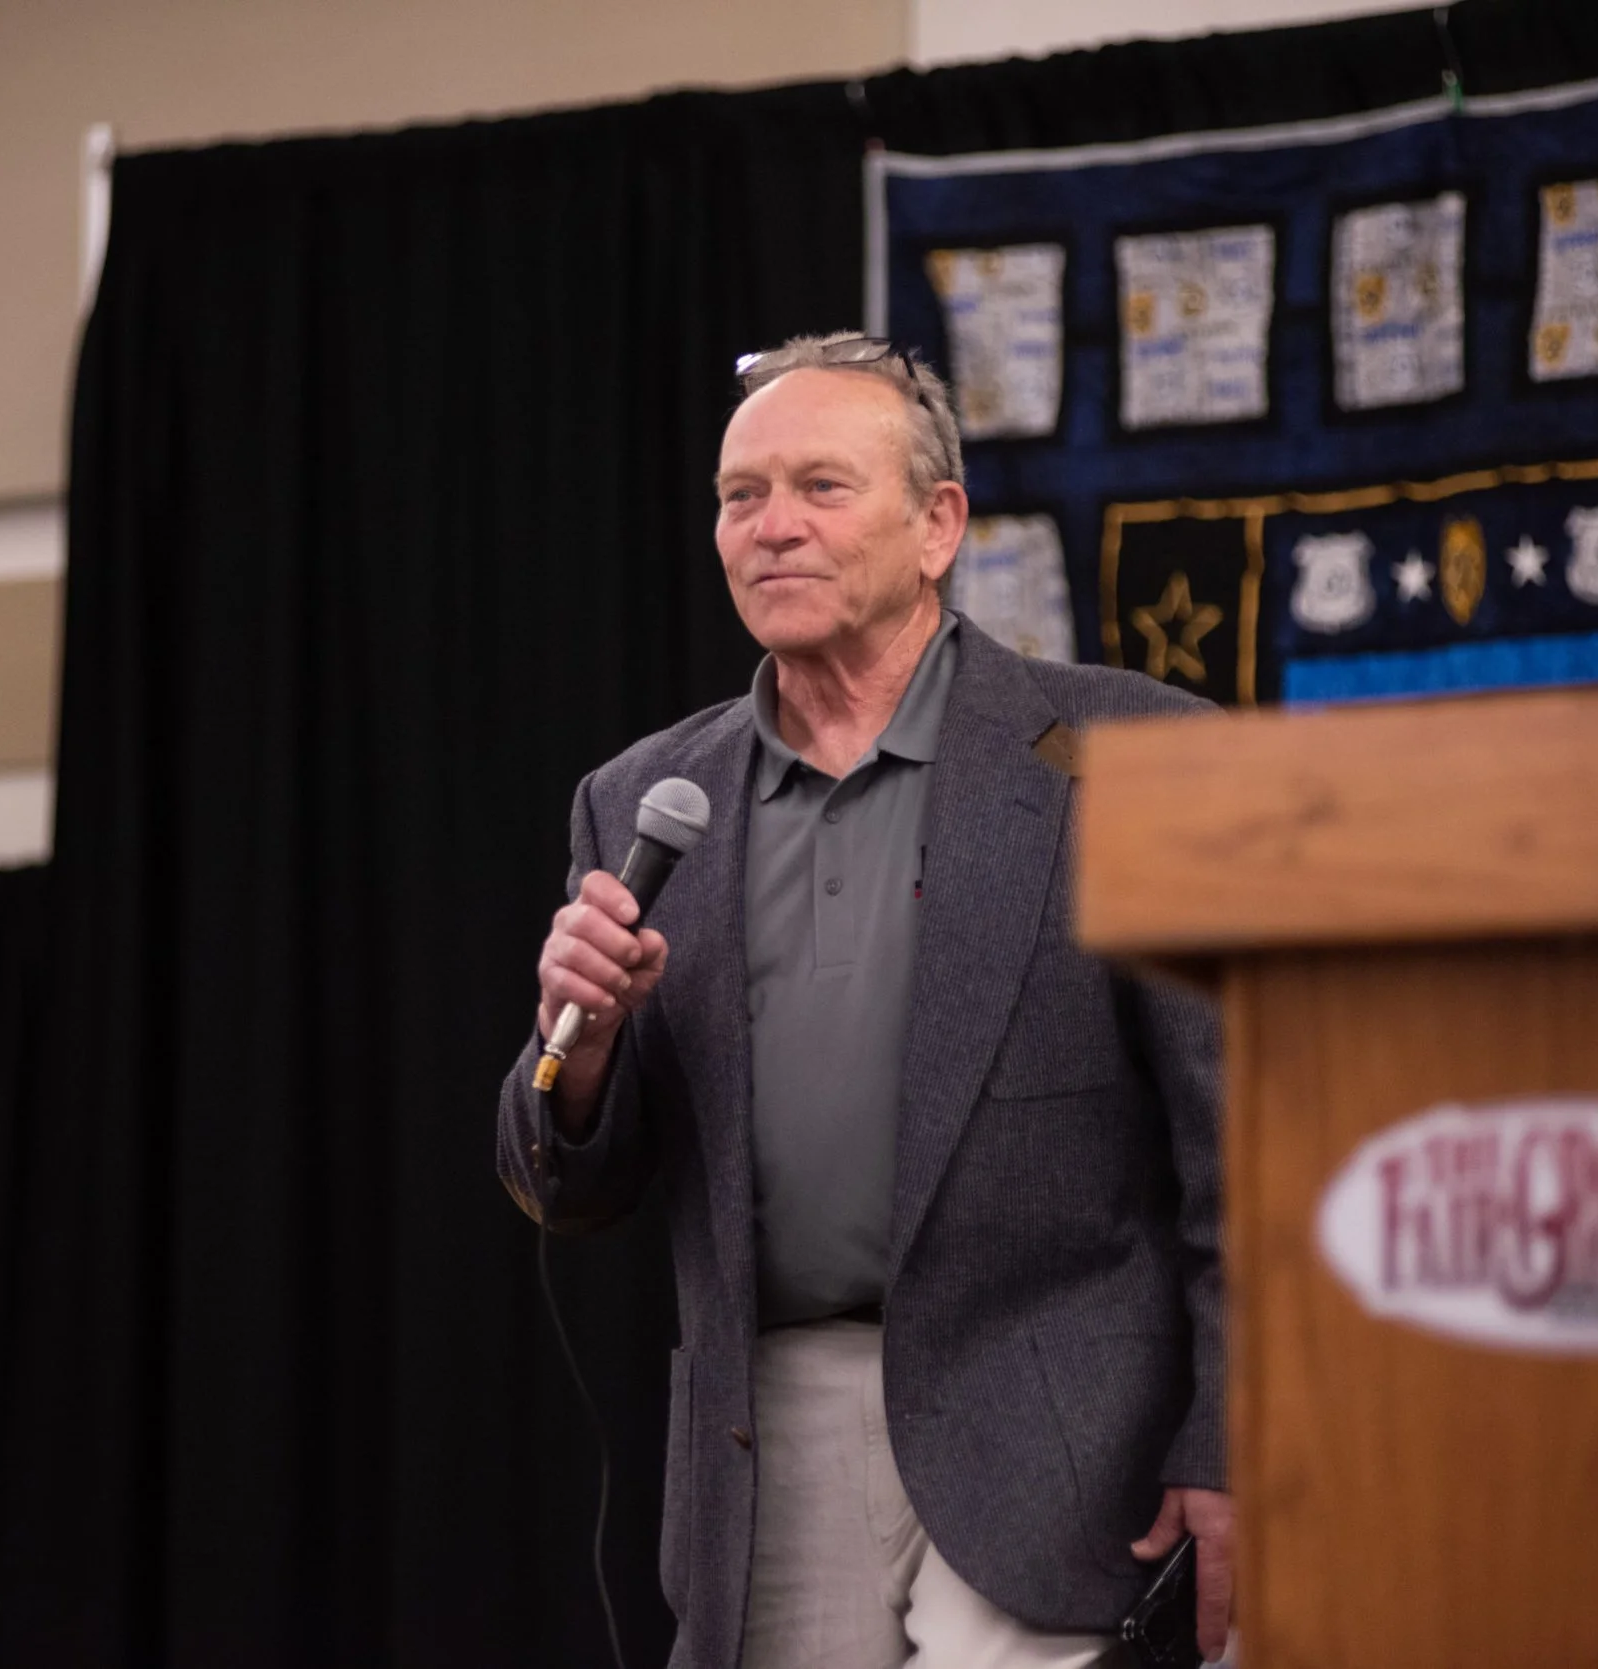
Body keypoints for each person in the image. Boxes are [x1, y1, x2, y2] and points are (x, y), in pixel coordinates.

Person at [496, 333, 1230, 1669]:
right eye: (740, 496)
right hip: (767, 1437)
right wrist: (584, 1048)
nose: (771, 528)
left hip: (1066, 1430)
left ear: (937, 524)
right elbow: (567, 1180)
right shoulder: (646, 801)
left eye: (821, 488)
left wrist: (1228, 1441)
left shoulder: (1126, 759)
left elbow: (1243, 1158)